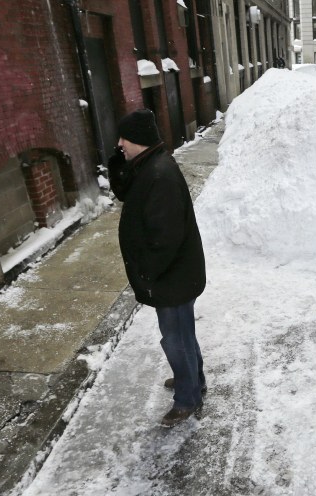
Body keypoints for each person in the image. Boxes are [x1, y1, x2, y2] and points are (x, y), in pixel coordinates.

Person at [107, 109, 207, 428]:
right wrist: (117, 163)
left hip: (172, 277)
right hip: (176, 274)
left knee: (176, 339)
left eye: (124, 138)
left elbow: (166, 238)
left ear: (139, 139)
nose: (119, 143)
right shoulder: (149, 164)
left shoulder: (159, 174)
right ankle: (193, 380)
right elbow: (125, 192)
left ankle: (188, 398)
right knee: (183, 334)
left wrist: (147, 274)